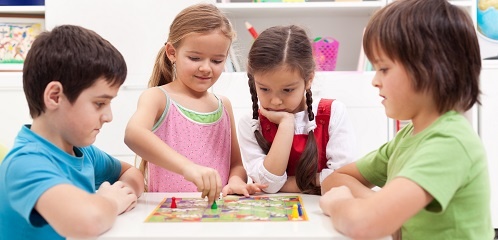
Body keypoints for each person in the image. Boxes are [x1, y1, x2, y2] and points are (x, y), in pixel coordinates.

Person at [319, 0, 493, 239]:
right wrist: (379, 204)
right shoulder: (407, 138)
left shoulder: (450, 142)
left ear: (430, 69)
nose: (374, 81)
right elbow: (335, 179)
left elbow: (363, 224)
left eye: (384, 69)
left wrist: (340, 204)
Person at [0, 25, 145, 239]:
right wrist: (111, 202)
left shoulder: (84, 153)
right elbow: (87, 221)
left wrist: (122, 191)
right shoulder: (25, 163)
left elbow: (132, 173)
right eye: (99, 103)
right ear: (55, 97)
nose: (108, 116)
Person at [124, 3, 265, 205]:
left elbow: (236, 165)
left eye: (217, 61)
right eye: (195, 58)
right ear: (172, 52)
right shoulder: (157, 97)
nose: (206, 68)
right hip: (167, 215)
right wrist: (188, 167)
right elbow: (133, 134)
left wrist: (235, 181)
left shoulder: (224, 105)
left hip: (215, 214)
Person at [238, 25, 357, 195]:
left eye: (287, 90)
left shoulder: (333, 113)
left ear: (309, 79)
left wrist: (286, 184)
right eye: (264, 89)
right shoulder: (251, 123)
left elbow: (342, 179)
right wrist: (286, 124)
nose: (276, 101)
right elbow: (268, 185)